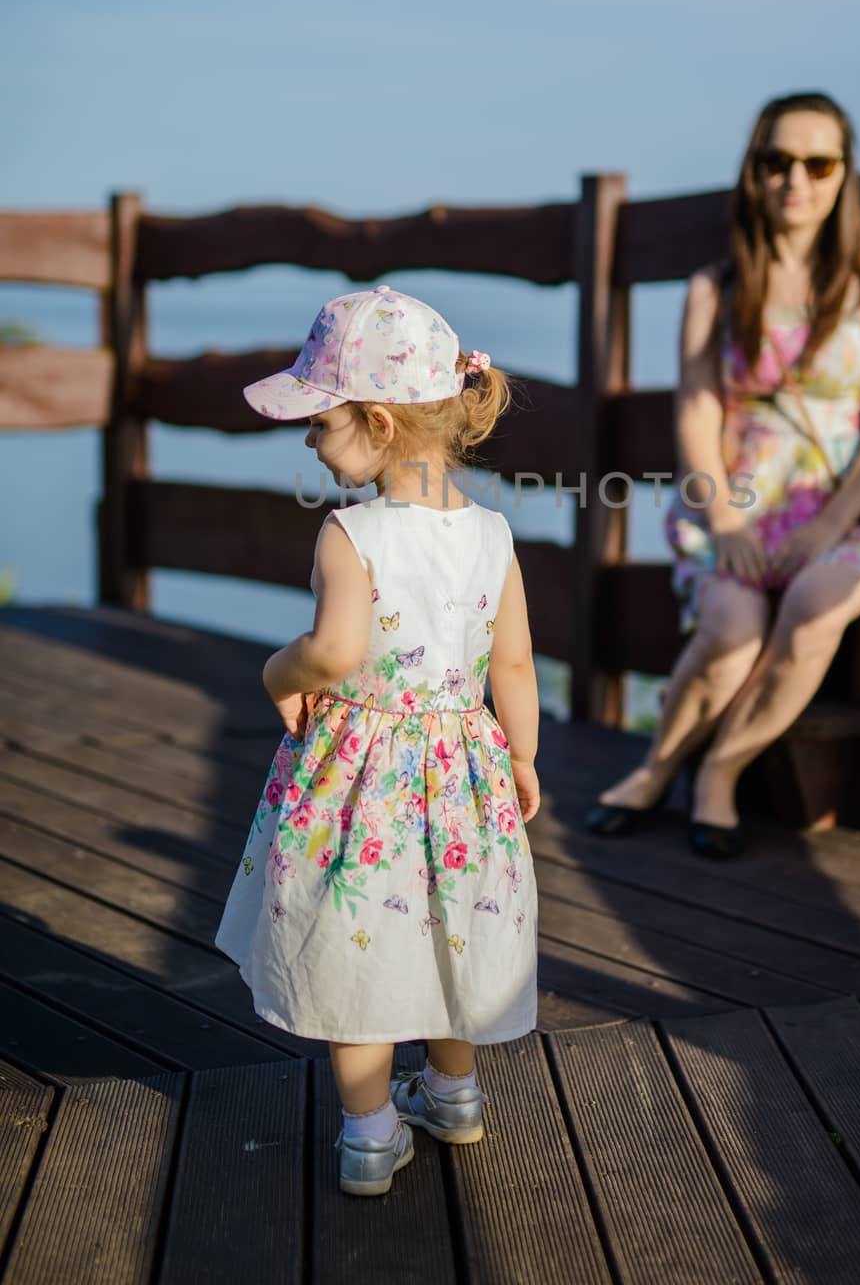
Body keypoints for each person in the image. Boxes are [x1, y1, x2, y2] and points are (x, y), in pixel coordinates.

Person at [215, 284, 540, 1197]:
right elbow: (512, 665)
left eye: (319, 422)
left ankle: (367, 1133)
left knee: (350, 932)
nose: (310, 442)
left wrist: (278, 675)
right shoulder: (493, 533)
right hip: (461, 767)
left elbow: (334, 652)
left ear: (379, 423)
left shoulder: (349, 532)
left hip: (364, 780)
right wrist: (521, 757)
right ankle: (455, 1092)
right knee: (451, 928)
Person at [587, 91, 860, 860]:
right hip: (735, 504)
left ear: (842, 174)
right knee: (731, 633)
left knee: (810, 613)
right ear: (752, 171)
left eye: (816, 162)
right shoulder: (715, 287)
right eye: (775, 161)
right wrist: (726, 522)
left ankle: (716, 775)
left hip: (845, 512)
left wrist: (828, 526)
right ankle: (657, 767)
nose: (794, 179)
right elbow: (696, 417)